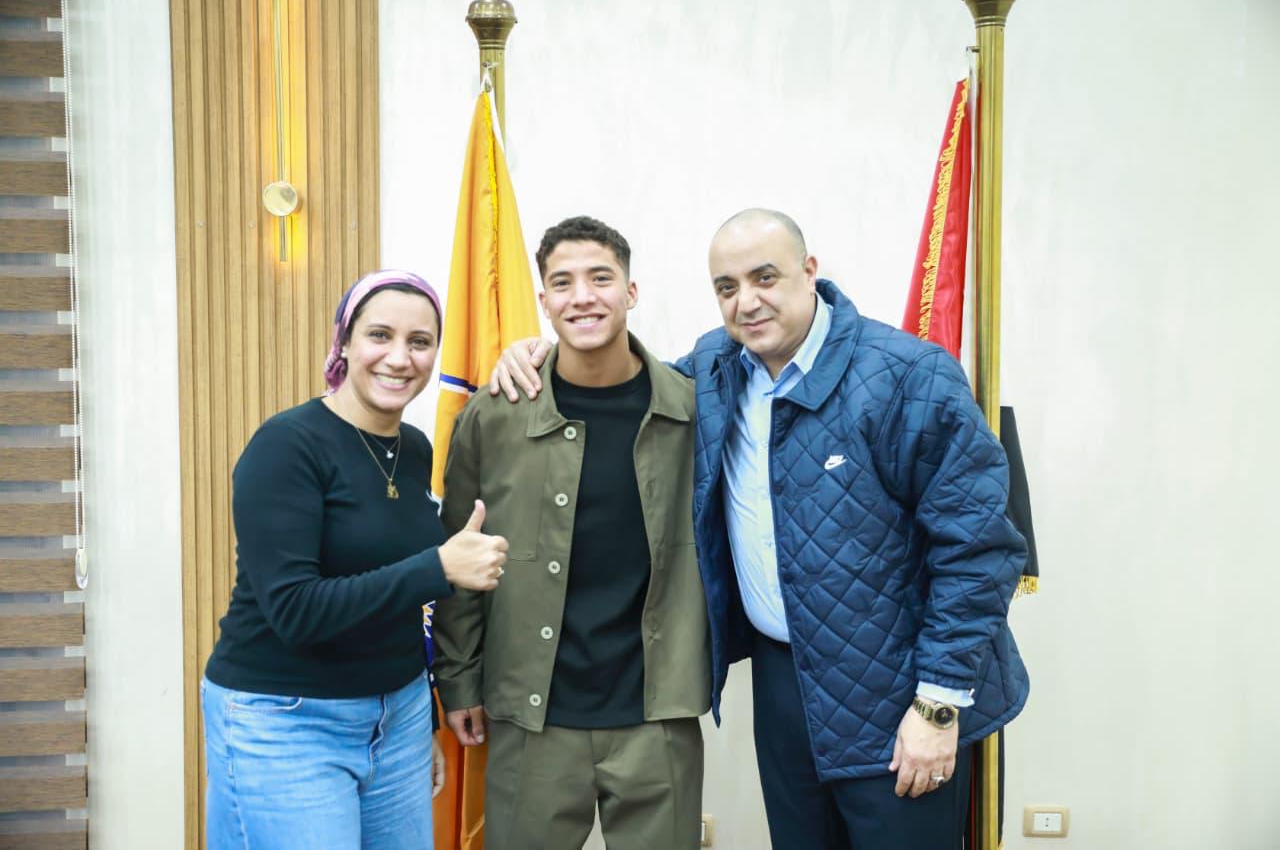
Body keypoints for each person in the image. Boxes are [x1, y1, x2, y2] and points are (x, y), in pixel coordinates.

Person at [489, 209, 1029, 850]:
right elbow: (623, 379)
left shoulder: (908, 377)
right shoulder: (714, 371)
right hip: (784, 688)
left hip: (898, 691)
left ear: (809, 271)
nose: (746, 301)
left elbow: (979, 550)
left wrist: (937, 705)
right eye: (727, 287)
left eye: (764, 277)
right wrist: (538, 354)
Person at [201, 270, 509, 849]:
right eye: (380, 335)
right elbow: (295, 611)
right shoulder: (286, 446)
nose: (400, 358)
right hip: (287, 719)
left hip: (397, 717)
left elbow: (398, 604)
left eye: (419, 342)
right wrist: (438, 568)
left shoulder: (413, 449)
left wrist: (420, 717)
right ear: (344, 342)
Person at [432, 217, 710, 850]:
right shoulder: (495, 415)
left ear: (631, 291)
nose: (582, 296)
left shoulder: (694, 410)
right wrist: (460, 679)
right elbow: (458, 559)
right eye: (563, 283)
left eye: (600, 278)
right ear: (544, 300)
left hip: (657, 717)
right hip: (532, 718)